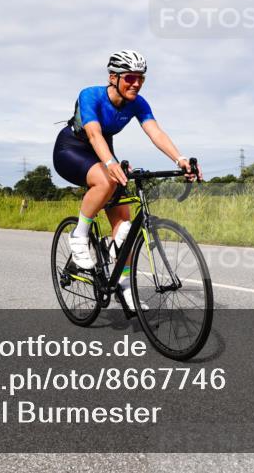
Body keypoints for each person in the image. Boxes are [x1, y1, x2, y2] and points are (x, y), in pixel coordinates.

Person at [52, 50, 202, 311]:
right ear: (113, 77)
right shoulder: (91, 95)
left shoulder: (138, 103)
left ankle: (124, 285)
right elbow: (95, 134)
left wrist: (180, 159)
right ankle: (79, 235)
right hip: (72, 150)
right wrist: (110, 163)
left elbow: (155, 132)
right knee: (106, 180)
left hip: (103, 154)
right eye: (130, 78)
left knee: (124, 228)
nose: (136, 83)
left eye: (141, 78)